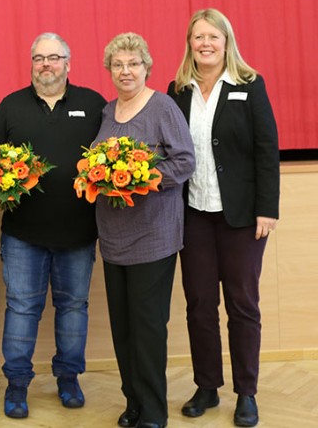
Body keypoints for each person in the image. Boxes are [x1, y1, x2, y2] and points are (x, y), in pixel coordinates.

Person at [0, 32, 106, 419]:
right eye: (39, 58)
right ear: (31, 64)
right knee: (21, 308)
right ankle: (17, 385)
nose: (46, 65)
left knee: (73, 307)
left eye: (54, 58)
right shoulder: (11, 106)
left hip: (78, 233)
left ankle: (68, 378)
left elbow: (111, 155)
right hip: (24, 235)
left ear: (68, 63)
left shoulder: (93, 104)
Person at [168, 9, 279, 428]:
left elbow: (267, 149)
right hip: (193, 216)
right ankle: (207, 386)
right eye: (198, 37)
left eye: (213, 36)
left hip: (242, 219)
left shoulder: (249, 86)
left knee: (243, 305)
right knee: (199, 305)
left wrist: (268, 207)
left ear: (226, 40)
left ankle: (246, 392)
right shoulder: (178, 90)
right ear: (190, 44)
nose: (206, 43)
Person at [95, 33, 195, 428]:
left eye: (133, 64)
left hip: (154, 238)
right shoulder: (106, 112)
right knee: (123, 328)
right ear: (110, 70)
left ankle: (154, 411)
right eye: (118, 65)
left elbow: (185, 162)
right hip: (113, 238)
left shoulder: (162, 107)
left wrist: (143, 178)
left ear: (146, 67)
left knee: (149, 328)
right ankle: (132, 401)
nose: (126, 71)